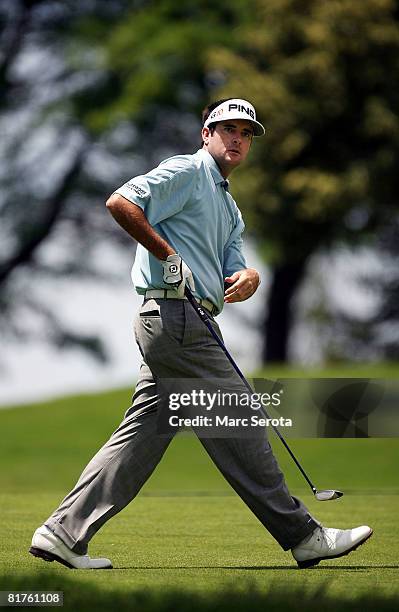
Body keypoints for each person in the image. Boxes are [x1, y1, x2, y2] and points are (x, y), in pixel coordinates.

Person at [30, 98, 372, 570]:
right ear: (206, 133)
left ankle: (62, 533)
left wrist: (249, 276)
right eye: (228, 128)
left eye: (246, 133)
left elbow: (234, 264)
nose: (237, 138)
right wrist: (168, 256)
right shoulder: (187, 171)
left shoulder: (228, 206)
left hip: (189, 322)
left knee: (145, 432)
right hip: (175, 319)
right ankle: (304, 535)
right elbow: (122, 202)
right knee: (238, 417)